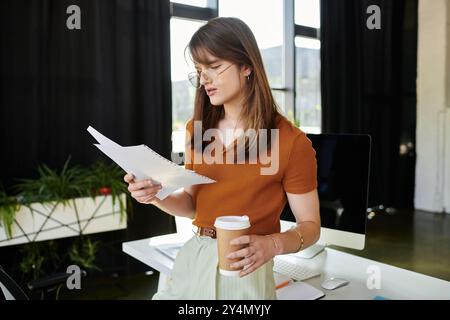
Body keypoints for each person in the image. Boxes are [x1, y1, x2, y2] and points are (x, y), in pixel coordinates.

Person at [123, 17, 320, 300]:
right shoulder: (197, 131)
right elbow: (192, 205)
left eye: (214, 67)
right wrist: (155, 195)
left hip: (244, 269)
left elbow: (310, 227)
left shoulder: (291, 142)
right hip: (193, 258)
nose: (204, 80)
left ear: (247, 65)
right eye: (199, 70)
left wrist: (272, 245)